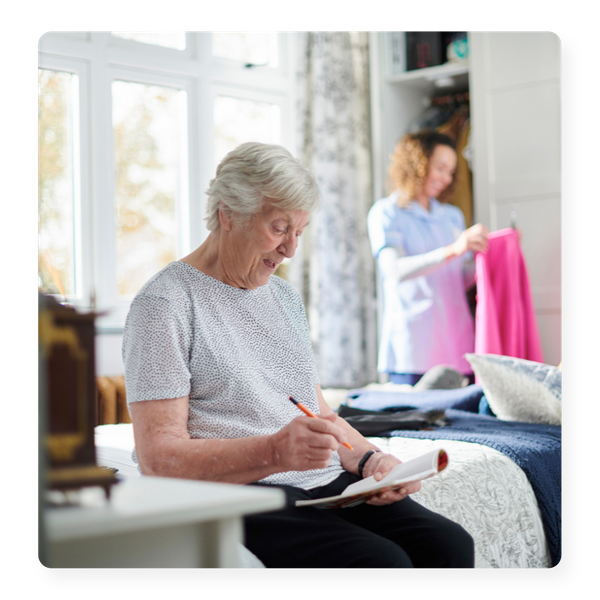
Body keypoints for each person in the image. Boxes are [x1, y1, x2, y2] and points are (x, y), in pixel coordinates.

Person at [122, 141, 474, 569]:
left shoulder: (285, 298)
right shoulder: (164, 304)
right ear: (227, 214)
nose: (290, 249)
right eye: (278, 228)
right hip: (238, 490)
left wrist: (369, 460)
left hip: (321, 481)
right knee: (382, 563)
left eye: (299, 232)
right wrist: (272, 452)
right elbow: (160, 457)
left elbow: (318, 409)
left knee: (450, 544)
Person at [368, 130, 489, 386]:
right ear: (417, 165)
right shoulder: (386, 213)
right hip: (413, 347)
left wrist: (492, 257)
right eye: (441, 168)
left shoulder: (452, 216)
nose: (446, 178)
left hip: (456, 343)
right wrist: (454, 250)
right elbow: (395, 270)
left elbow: (457, 279)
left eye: (451, 172)